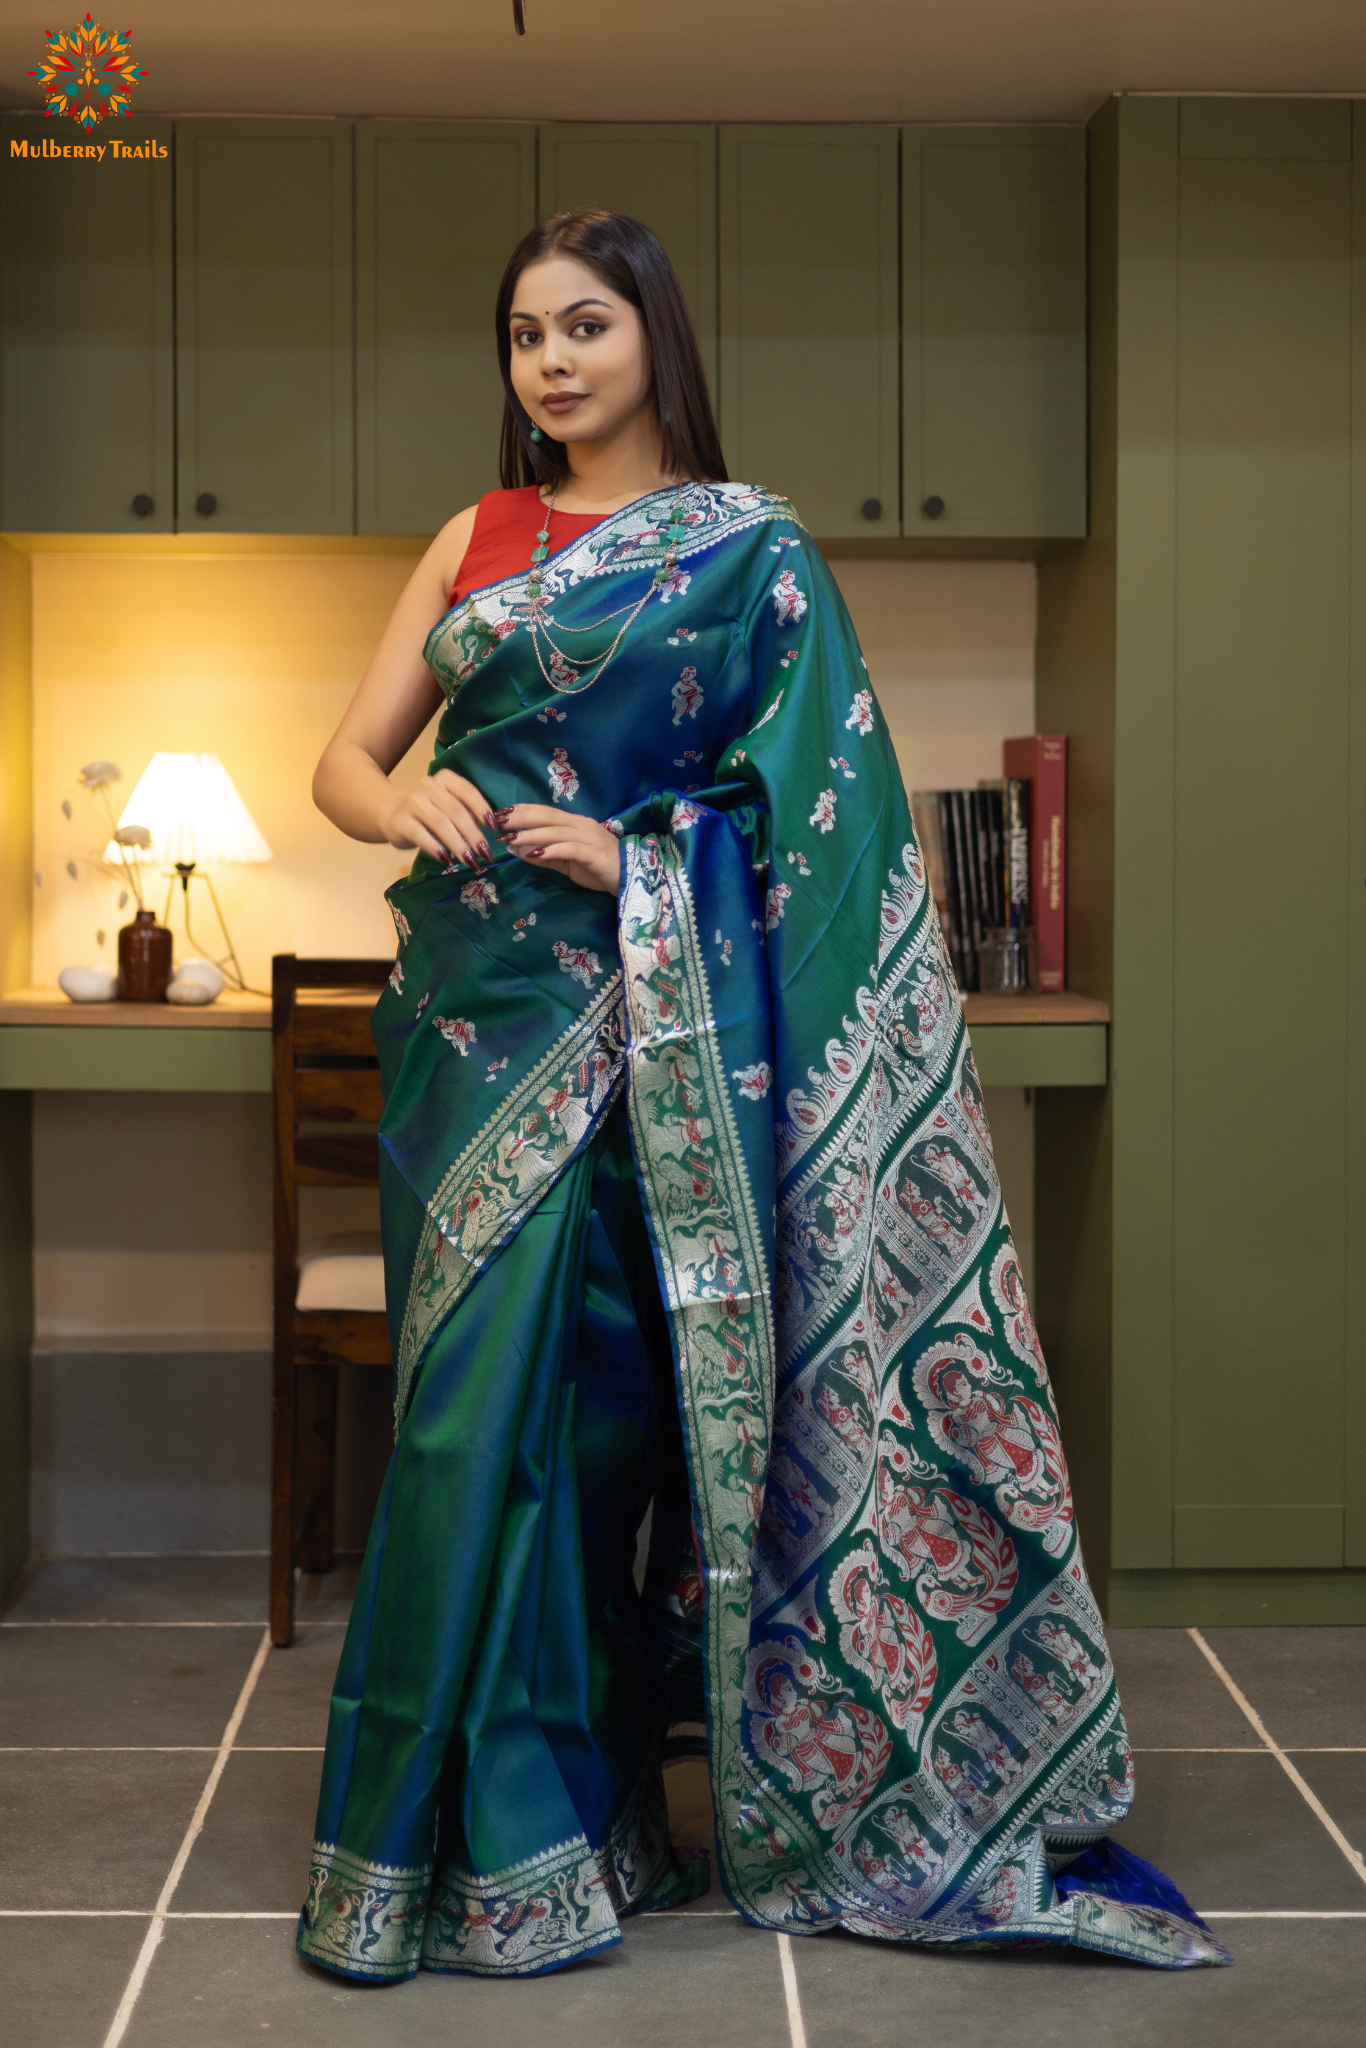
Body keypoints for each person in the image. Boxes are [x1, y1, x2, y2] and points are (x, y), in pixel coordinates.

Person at [296, 209, 1229, 1982]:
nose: (550, 362)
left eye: (583, 326)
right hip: (470, 1023)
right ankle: (434, 1851)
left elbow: (806, 811)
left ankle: (571, 1824)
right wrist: (389, 803)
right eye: (520, 336)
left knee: (601, 1434)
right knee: (458, 1438)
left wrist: (637, 847)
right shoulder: (474, 538)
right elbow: (344, 755)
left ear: (656, 336)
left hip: (655, 1037)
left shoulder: (751, 552)